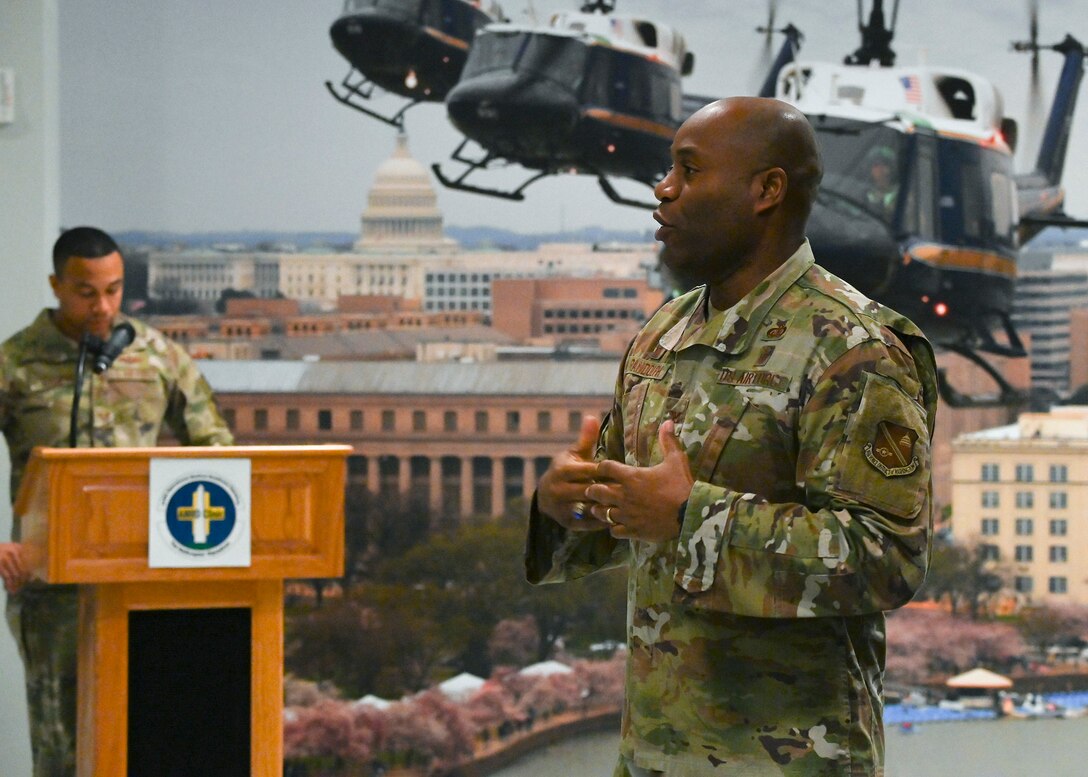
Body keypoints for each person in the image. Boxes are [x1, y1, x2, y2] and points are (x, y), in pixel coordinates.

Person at [526, 97, 937, 776]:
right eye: (667, 170)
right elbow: (623, 519)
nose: (663, 189)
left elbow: (888, 557)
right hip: (655, 756)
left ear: (766, 191)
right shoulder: (663, 334)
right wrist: (564, 502)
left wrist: (693, 517)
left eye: (689, 170)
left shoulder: (853, 348)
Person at [1, 226, 234, 776]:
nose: (103, 306)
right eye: (86, 292)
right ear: (56, 285)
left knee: (145, 741)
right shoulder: (16, 364)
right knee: (65, 749)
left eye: (114, 290)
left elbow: (218, 451)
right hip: (51, 588)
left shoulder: (156, 357)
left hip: (144, 581)